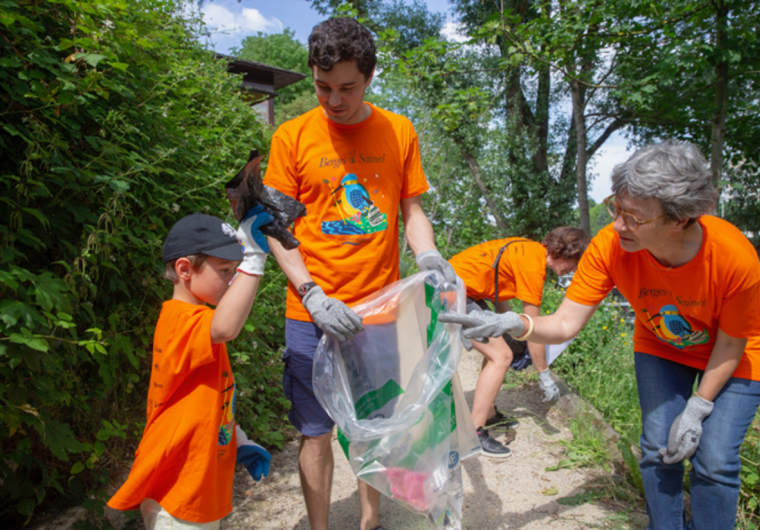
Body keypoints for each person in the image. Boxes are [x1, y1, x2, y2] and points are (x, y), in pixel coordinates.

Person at [440, 142, 760, 530]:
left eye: (634, 217)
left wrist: (699, 407)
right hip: (661, 344)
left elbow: (732, 343)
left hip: (739, 352)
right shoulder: (612, 246)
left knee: (715, 460)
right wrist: (517, 324)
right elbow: (566, 321)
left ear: (680, 219)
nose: (618, 225)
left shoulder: (732, 255)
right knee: (656, 447)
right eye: (616, 209)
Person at [263, 17, 457, 530]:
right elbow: (276, 228)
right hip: (312, 314)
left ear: (369, 77)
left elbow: (411, 211)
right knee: (315, 431)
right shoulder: (292, 136)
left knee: (376, 426)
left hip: (382, 309)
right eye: (322, 87)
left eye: (347, 87)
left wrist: (429, 255)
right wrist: (311, 294)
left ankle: (371, 521)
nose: (333, 100)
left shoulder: (398, 130)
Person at [107, 208, 275, 529]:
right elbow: (227, 326)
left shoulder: (200, 325)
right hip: (176, 491)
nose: (232, 280)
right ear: (185, 269)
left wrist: (237, 438)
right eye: (225, 270)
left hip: (199, 486)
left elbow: (207, 397)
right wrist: (254, 261)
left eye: (235, 270)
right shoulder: (179, 321)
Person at [448, 228, 589, 457]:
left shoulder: (528, 249)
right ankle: (473, 433)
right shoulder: (534, 267)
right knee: (501, 356)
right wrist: (543, 374)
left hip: (456, 287)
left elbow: (500, 300)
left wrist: (508, 332)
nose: (573, 269)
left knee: (498, 349)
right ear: (566, 253)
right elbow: (533, 328)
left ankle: (489, 413)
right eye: (574, 263)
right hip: (451, 292)